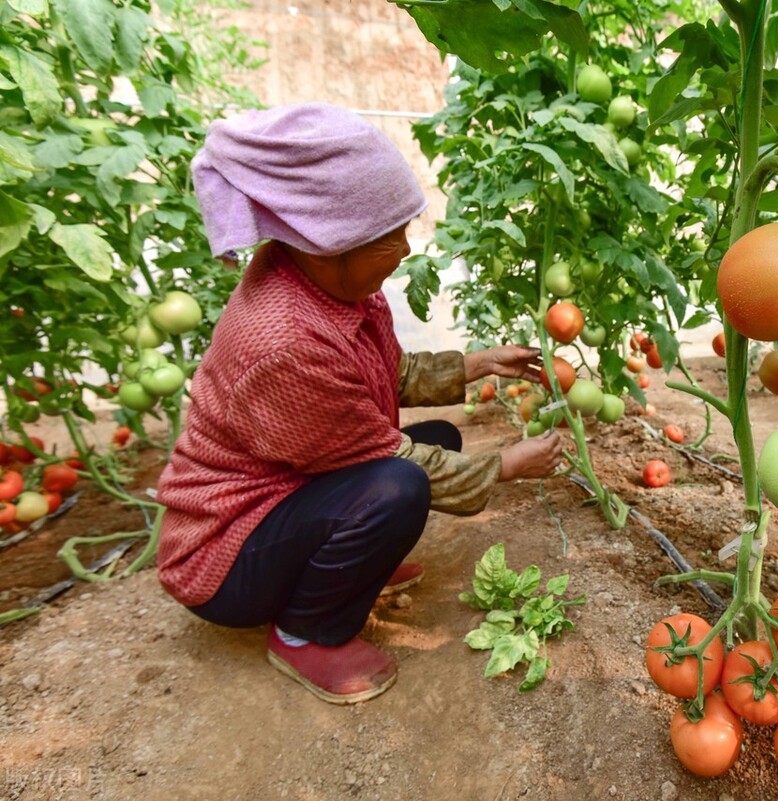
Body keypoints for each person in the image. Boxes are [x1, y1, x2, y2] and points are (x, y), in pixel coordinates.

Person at [155, 103, 564, 705]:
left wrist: (476, 363)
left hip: (283, 494)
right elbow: (390, 455)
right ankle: (304, 634)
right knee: (400, 486)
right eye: (388, 237)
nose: (403, 248)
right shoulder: (284, 343)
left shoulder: (327, 282)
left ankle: (342, 568)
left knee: (437, 445)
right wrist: (505, 466)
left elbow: (379, 375)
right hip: (226, 554)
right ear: (327, 242)